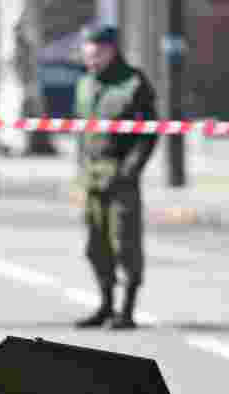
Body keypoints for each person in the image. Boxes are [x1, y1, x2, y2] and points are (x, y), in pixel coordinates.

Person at [73, 25, 159, 330]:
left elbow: (149, 134)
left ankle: (127, 309)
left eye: (96, 55)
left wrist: (130, 170)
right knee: (96, 246)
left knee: (125, 243)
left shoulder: (134, 83)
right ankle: (106, 304)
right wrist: (79, 173)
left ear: (111, 50)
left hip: (121, 178)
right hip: (92, 178)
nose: (91, 62)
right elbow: (81, 135)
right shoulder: (84, 84)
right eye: (87, 56)